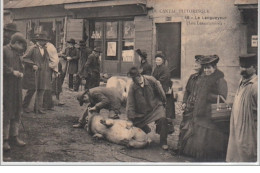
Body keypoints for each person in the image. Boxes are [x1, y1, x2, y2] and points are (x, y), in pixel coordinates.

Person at [180, 55, 229, 161]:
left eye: (209, 68)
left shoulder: (220, 80)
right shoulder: (203, 79)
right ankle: (201, 157)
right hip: (201, 112)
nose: (206, 70)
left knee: (209, 137)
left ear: (214, 67)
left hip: (212, 114)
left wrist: (208, 96)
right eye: (205, 68)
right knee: (200, 136)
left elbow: (223, 96)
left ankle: (210, 158)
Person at [126, 67, 169, 150]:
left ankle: (163, 142)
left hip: (155, 107)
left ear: (140, 75)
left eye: (137, 77)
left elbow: (160, 91)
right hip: (142, 111)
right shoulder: (132, 86)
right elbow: (130, 103)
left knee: (163, 119)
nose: (136, 80)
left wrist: (163, 102)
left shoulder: (151, 80)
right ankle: (146, 129)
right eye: (133, 78)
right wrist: (130, 118)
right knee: (135, 125)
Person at [226, 54, 257, 162]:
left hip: (249, 129)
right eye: (241, 66)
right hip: (236, 126)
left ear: (254, 67)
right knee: (236, 153)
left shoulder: (256, 86)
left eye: (247, 67)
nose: (243, 69)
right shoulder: (241, 81)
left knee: (247, 154)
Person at [3, 33, 27, 156]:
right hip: (6, 87)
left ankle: (14, 137)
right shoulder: (3, 50)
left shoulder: (17, 54)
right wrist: (12, 72)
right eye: (21, 45)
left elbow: (20, 67)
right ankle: (4, 140)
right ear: (17, 42)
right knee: (7, 112)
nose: (22, 49)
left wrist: (21, 72)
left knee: (17, 110)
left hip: (17, 87)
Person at [177, 55, 203, 153]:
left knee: (195, 130)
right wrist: (184, 102)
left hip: (198, 107)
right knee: (184, 127)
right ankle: (181, 148)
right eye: (195, 63)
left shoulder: (205, 78)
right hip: (189, 106)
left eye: (197, 63)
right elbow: (187, 91)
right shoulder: (192, 77)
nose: (195, 65)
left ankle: (192, 151)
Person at [22, 32, 52, 114]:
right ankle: (24, 106)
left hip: (42, 73)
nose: (44, 42)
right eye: (42, 40)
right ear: (38, 41)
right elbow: (24, 58)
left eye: (45, 41)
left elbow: (46, 60)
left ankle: (38, 108)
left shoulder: (45, 49)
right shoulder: (32, 48)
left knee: (41, 89)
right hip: (34, 73)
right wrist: (33, 65)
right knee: (31, 90)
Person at [152, 53, 175, 134]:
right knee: (159, 109)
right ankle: (159, 126)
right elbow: (153, 77)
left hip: (164, 90)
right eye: (156, 60)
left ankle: (167, 128)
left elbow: (164, 78)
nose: (157, 61)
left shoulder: (165, 69)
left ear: (162, 61)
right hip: (158, 89)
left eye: (159, 60)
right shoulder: (156, 68)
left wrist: (156, 82)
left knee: (166, 110)